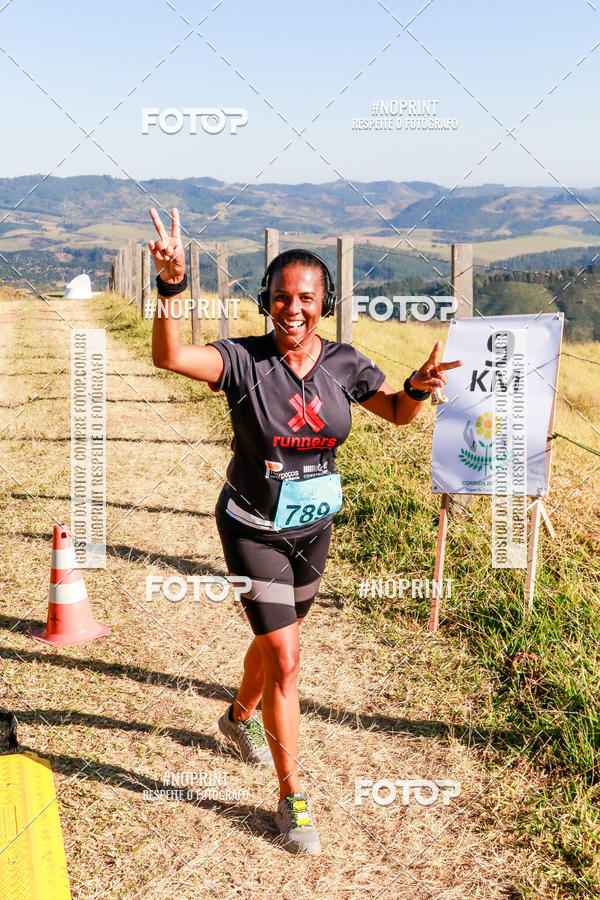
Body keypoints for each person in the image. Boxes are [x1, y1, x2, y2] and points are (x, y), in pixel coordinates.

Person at [148, 206, 463, 856]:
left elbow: (398, 413)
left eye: (307, 299)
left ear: (324, 304)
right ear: (267, 301)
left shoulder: (345, 364)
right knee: (288, 660)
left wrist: (420, 387)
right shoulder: (240, 360)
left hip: (312, 529)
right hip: (251, 527)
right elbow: (171, 354)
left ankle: (238, 717)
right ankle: (293, 799)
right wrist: (173, 287)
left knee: (273, 649)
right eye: (282, 298)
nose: (293, 309)